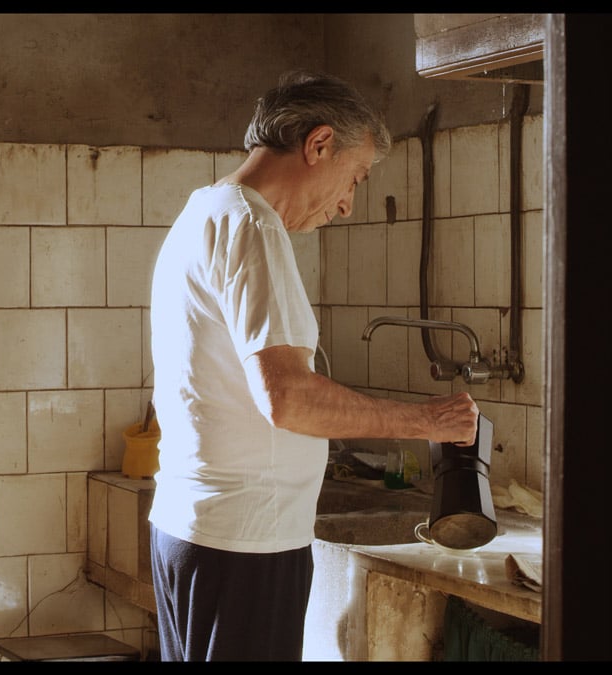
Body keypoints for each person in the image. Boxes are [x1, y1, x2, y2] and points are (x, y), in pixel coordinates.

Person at [146, 69, 481, 661]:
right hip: (243, 544)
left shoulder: (204, 211)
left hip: (196, 531)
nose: (349, 204)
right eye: (356, 176)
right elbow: (289, 398)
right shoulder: (253, 226)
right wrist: (427, 421)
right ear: (319, 144)